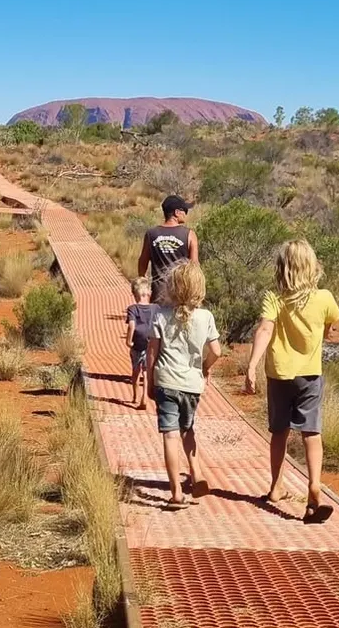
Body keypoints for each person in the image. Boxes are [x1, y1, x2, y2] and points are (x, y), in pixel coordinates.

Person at [245, 239, 339, 524]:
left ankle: (276, 486)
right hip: (310, 374)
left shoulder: (274, 298)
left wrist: (251, 365)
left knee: (279, 432)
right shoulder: (324, 298)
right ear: (312, 266)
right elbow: (330, 329)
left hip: (279, 374)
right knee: (311, 432)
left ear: (283, 267)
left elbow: (264, 330)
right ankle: (314, 485)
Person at [146, 261, 221, 510]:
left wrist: (150, 381)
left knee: (170, 435)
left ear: (172, 287)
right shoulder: (206, 317)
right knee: (187, 430)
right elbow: (217, 351)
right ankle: (196, 473)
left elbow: (151, 354)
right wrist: (205, 367)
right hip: (192, 384)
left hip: (166, 381)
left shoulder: (160, 315)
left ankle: (176, 492)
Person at [138, 195, 199, 303]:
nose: (186, 214)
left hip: (158, 295)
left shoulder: (151, 234)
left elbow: (142, 263)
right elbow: (194, 267)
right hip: (180, 296)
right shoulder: (189, 235)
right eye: (184, 210)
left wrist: (144, 285)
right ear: (176, 212)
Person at [125, 277, 156, 410]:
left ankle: (135, 396)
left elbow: (131, 325)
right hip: (151, 343)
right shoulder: (156, 308)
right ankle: (145, 396)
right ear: (149, 293)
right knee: (147, 372)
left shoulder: (132, 309)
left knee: (136, 370)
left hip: (137, 344)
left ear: (134, 294)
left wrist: (128, 340)